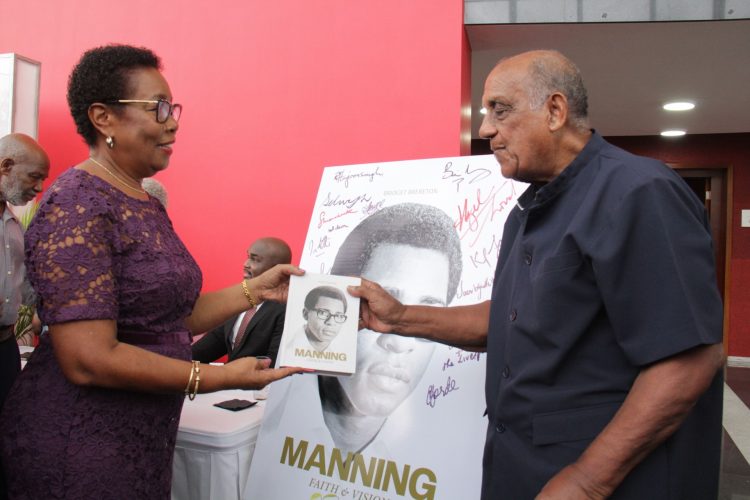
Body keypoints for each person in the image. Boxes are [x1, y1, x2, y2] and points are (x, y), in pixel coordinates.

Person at [350, 50, 725, 499]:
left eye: (500, 110)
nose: (485, 128)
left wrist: (588, 480)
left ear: (555, 111)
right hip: (526, 469)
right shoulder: (529, 209)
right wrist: (397, 317)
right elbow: (508, 319)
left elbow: (687, 361)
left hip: (606, 479)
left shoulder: (638, 193)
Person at [0, 44, 303, 499]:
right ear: (103, 118)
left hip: (140, 436)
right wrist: (218, 376)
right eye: (158, 107)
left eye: (172, 108)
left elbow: (170, 315)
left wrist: (256, 290)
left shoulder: (141, 200)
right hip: (81, 439)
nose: (173, 122)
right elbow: (88, 358)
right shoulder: (78, 203)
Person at [318, 202, 462, 452]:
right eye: (377, 307)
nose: (399, 343)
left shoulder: (436, 450)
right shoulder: (284, 411)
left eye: (427, 316)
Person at [0, 133, 49, 500]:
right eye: (34, 177)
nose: (38, 187)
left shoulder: (14, 226)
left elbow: (23, 292)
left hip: (3, 352)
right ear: (6, 167)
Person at [192, 237, 292, 365]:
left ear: (276, 269)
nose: (246, 264)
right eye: (248, 257)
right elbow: (209, 345)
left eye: (255, 260)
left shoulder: (286, 310)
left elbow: (274, 364)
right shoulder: (238, 302)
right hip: (230, 383)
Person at [294, 285, 348, 352]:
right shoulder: (287, 350)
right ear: (305, 314)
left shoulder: (344, 352)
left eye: (339, 316)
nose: (331, 322)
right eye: (323, 313)